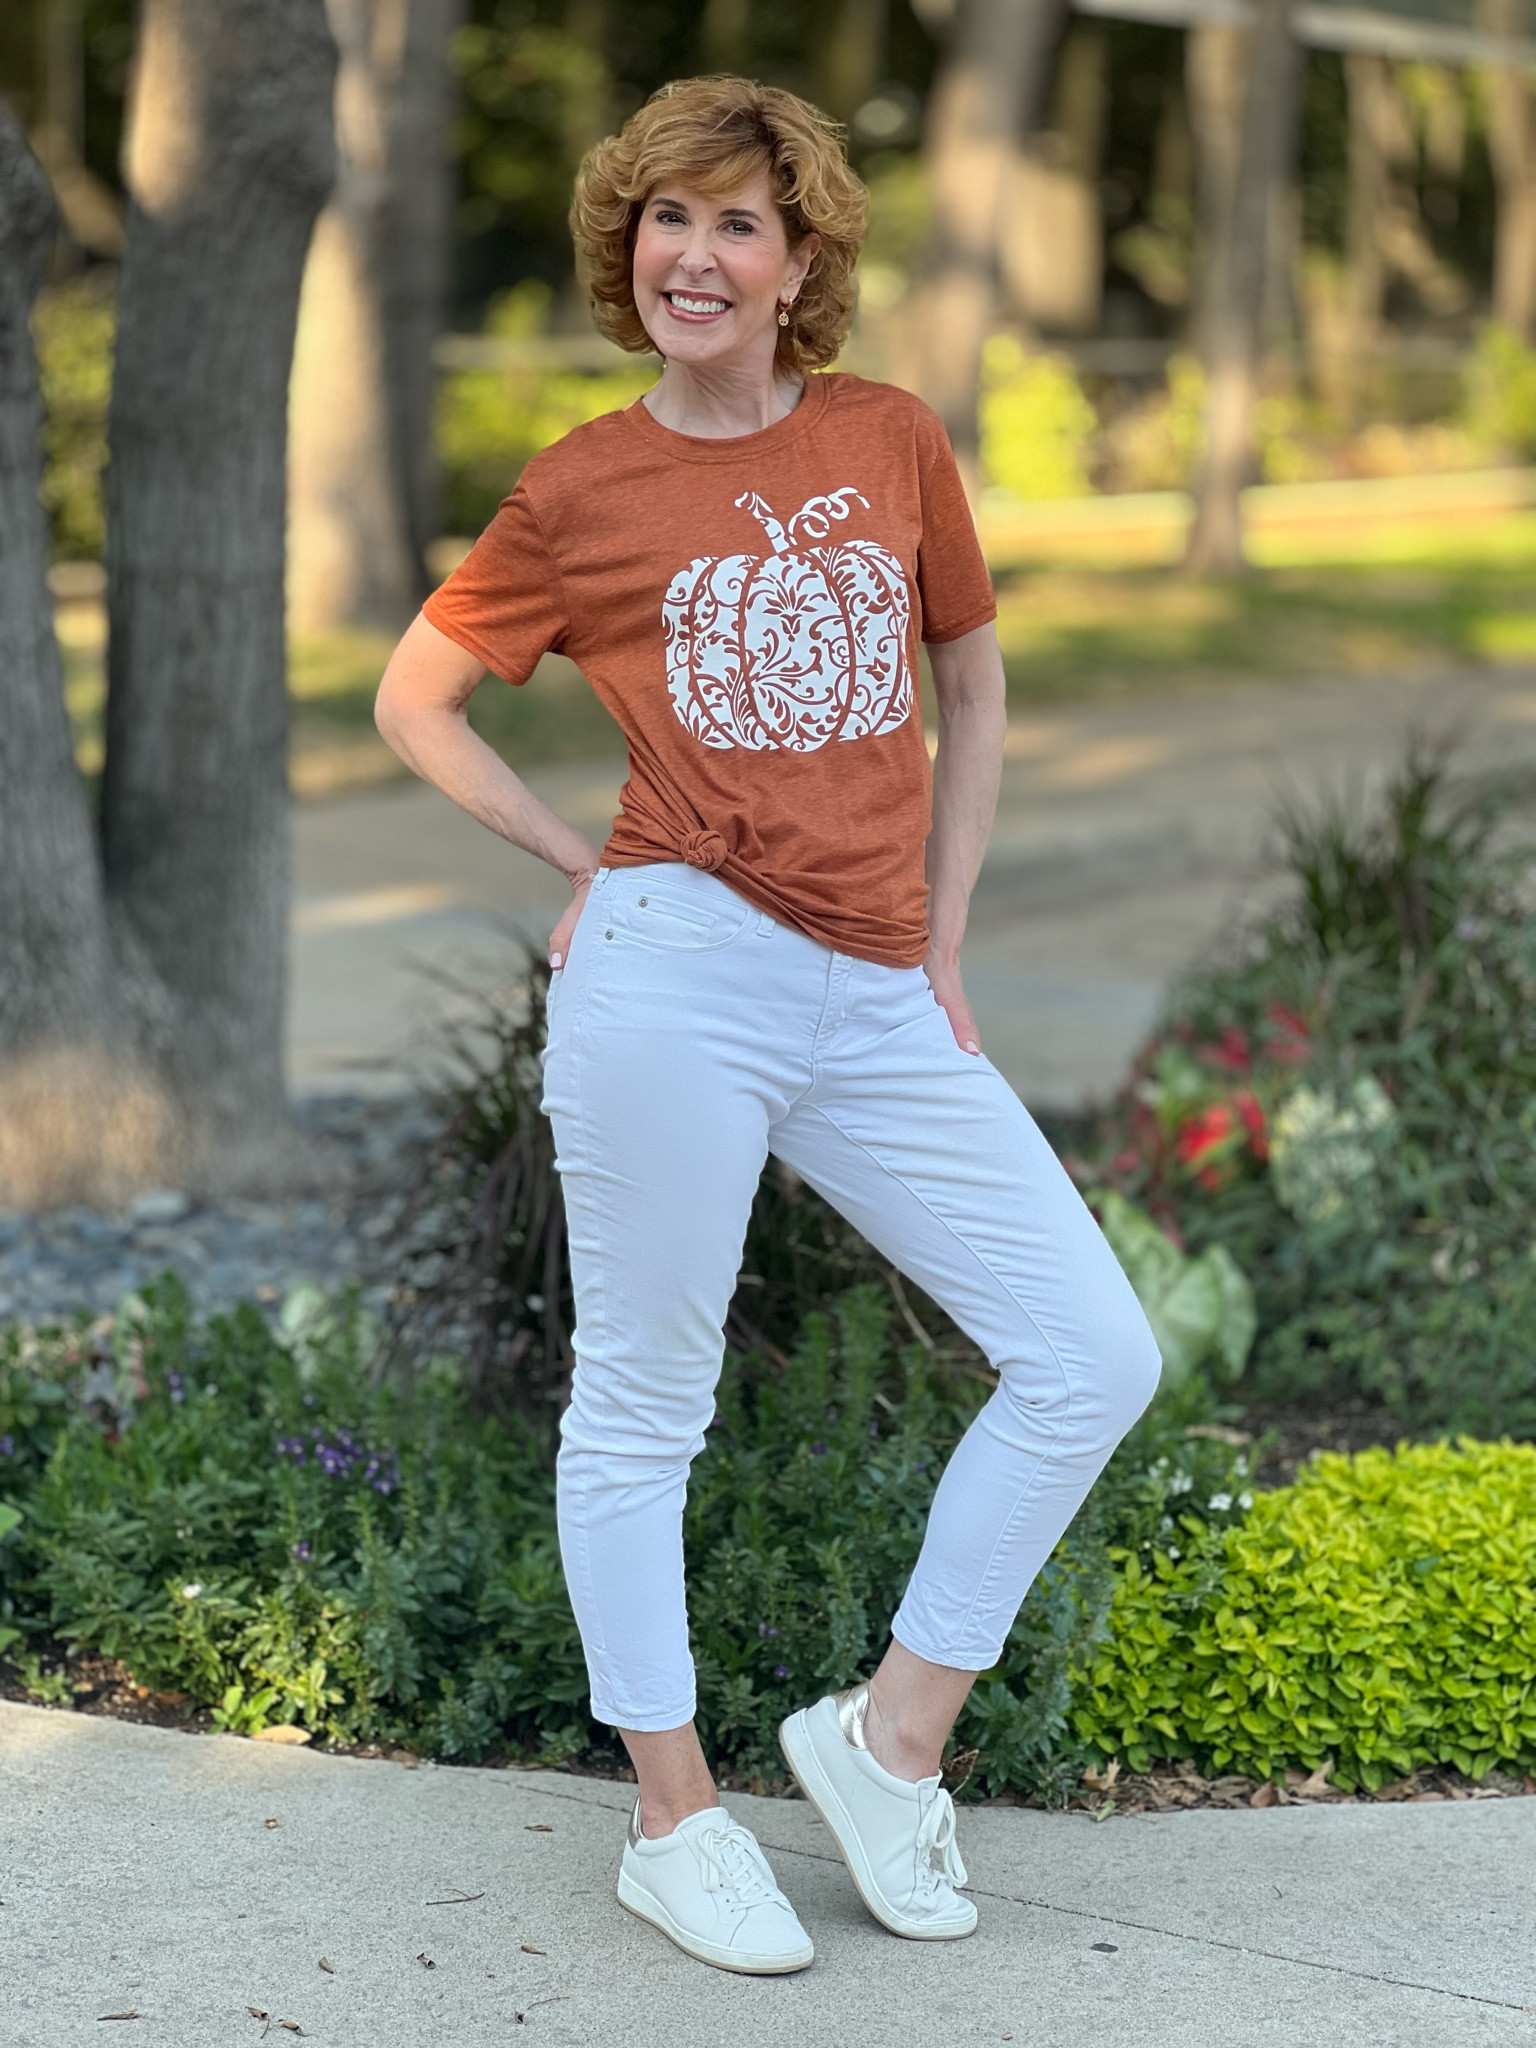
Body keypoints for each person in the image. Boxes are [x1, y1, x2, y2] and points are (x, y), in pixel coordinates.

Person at [374, 74, 1161, 1977]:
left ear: (801, 261)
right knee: (647, 1401)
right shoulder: (579, 486)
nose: (698, 256)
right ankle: (674, 1820)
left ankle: (890, 1747)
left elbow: (972, 688)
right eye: (670, 218)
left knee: (1090, 1349)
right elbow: (416, 699)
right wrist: (582, 861)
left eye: (740, 223)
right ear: (627, 247)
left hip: (880, 988)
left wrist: (943, 941)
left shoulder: (891, 438)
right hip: (678, 972)